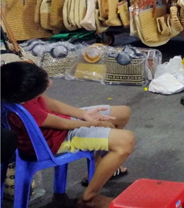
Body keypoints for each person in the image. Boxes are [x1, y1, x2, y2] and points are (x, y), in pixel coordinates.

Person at [1, 61, 134, 208]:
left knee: (123, 113)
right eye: (44, 86)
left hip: (57, 126)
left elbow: (48, 103)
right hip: (53, 142)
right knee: (125, 142)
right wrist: (92, 123)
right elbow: (62, 124)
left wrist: (84, 114)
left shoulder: (14, 87)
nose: (50, 83)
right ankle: (89, 198)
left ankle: (99, 167)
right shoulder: (27, 110)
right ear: (26, 98)